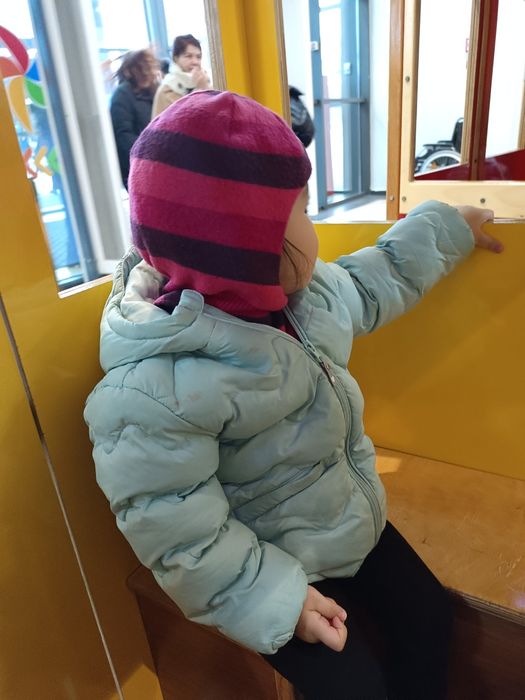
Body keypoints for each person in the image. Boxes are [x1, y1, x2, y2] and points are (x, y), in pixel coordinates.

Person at [84, 90, 503, 699]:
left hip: (344, 521)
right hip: (264, 563)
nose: (315, 232)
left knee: (430, 620)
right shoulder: (150, 390)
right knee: (354, 687)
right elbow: (180, 534)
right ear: (240, 246)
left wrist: (447, 227)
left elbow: (376, 277)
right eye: (300, 213)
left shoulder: (303, 299)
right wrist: (280, 599)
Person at [110, 49, 160, 188]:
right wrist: (149, 155)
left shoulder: (154, 90)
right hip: (138, 167)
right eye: (147, 67)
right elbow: (124, 136)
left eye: (152, 66)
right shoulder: (122, 95)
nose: (152, 72)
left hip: (154, 163)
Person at [151, 34, 211, 118]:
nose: (195, 62)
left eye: (198, 57)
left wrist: (205, 89)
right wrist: (200, 91)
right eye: (188, 56)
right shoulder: (165, 91)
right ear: (176, 58)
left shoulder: (207, 83)